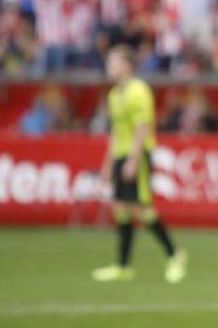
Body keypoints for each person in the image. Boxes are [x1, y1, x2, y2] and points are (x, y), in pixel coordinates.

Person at [92, 45, 187, 283]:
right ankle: (123, 265)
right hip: (121, 155)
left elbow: (143, 127)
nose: (109, 67)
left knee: (141, 209)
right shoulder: (114, 95)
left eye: (113, 62)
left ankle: (174, 255)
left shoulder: (139, 90)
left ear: (127, 65)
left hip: (138, 154)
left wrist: (133, 160)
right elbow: (116, 132)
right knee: (120, 209)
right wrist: (107, 163)